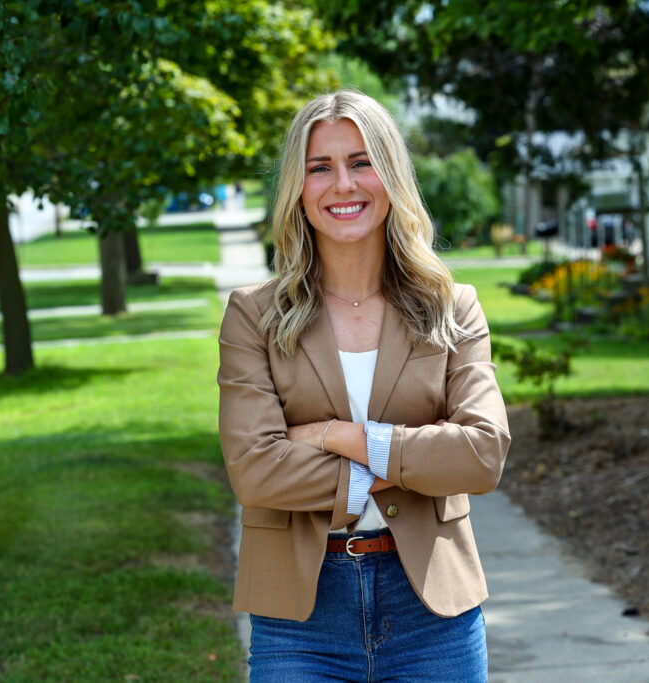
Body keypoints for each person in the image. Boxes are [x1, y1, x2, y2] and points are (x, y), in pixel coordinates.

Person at [217, 90, 510, 682]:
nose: (343, 185)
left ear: (391, 174)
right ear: (297, 188)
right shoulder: (254, 314)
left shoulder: (451, 308)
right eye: (320, 167)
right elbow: (254, 471)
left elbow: (481, 455)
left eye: (361, 161)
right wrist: (414, 461)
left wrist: (336, 435)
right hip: (300, 618)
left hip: (432, 611)